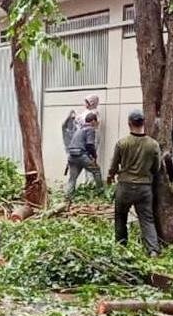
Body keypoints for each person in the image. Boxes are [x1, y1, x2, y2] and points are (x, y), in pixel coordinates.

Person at [107, 108, 160, 256]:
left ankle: (121, 249)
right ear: (144, 122)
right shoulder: (153, 144)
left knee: (120, 218)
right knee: (147, 220)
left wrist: (110, 176)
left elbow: (114, 165)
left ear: (129, 123)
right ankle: (153, 251)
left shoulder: (122, 143)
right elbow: (157, 167)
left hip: (124, 187)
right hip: (144, 188)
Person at [66, 111, 103, 196]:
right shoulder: (90, 129)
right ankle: (100, 193)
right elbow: (90, 145)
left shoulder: (79, 130)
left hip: (71, 156)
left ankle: (68, 197)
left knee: (72, 178)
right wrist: (94, 157)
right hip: (81, 155)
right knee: (96, 171)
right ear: (93, 121)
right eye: (96, 122)